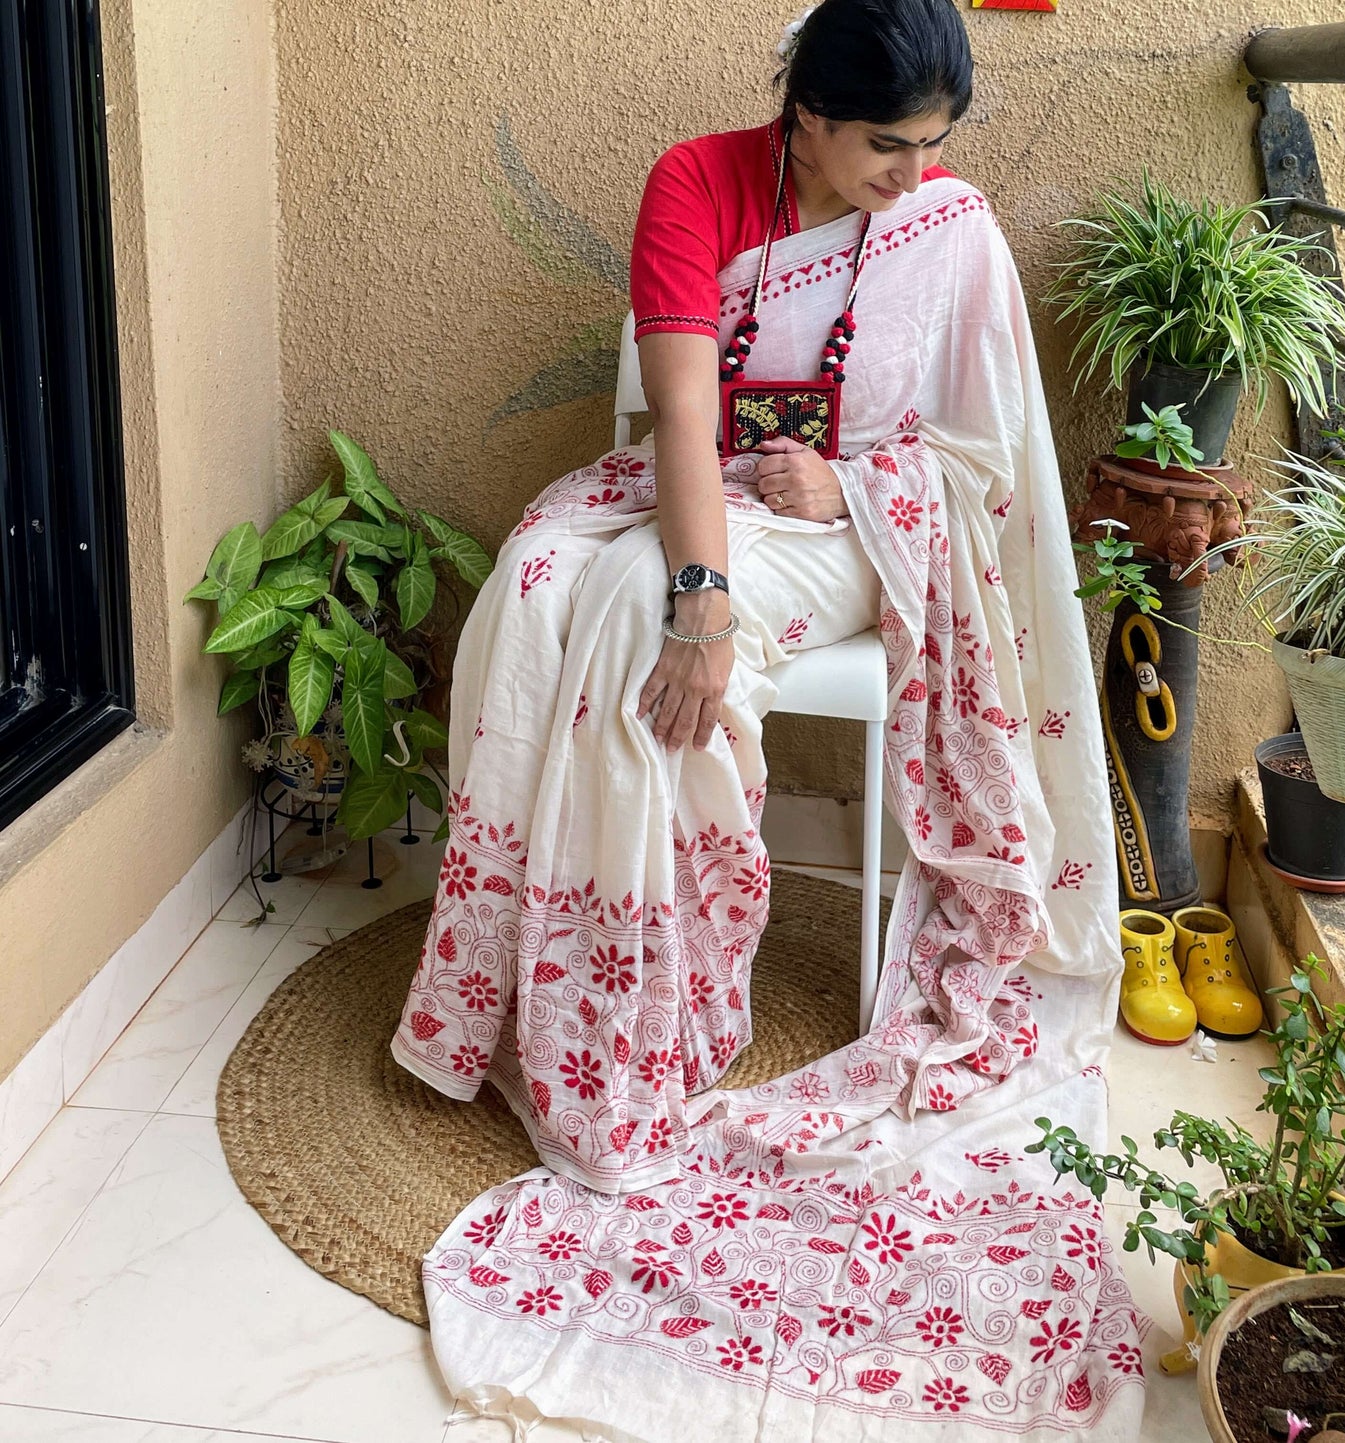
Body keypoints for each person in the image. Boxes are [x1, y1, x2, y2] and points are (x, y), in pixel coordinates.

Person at [396, 3, 1145, 1437]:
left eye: (934, 144)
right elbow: (681, 417)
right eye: (883, 142)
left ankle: (646, 1022)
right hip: (706, 501)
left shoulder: (949, 229)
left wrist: (858, 488)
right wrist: (700, 598)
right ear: (804, 112)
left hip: (868, 529)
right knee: (540, 585)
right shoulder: (697, 182)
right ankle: (532, 984)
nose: (910, 172)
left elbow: (985, 457)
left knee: (624, 632)